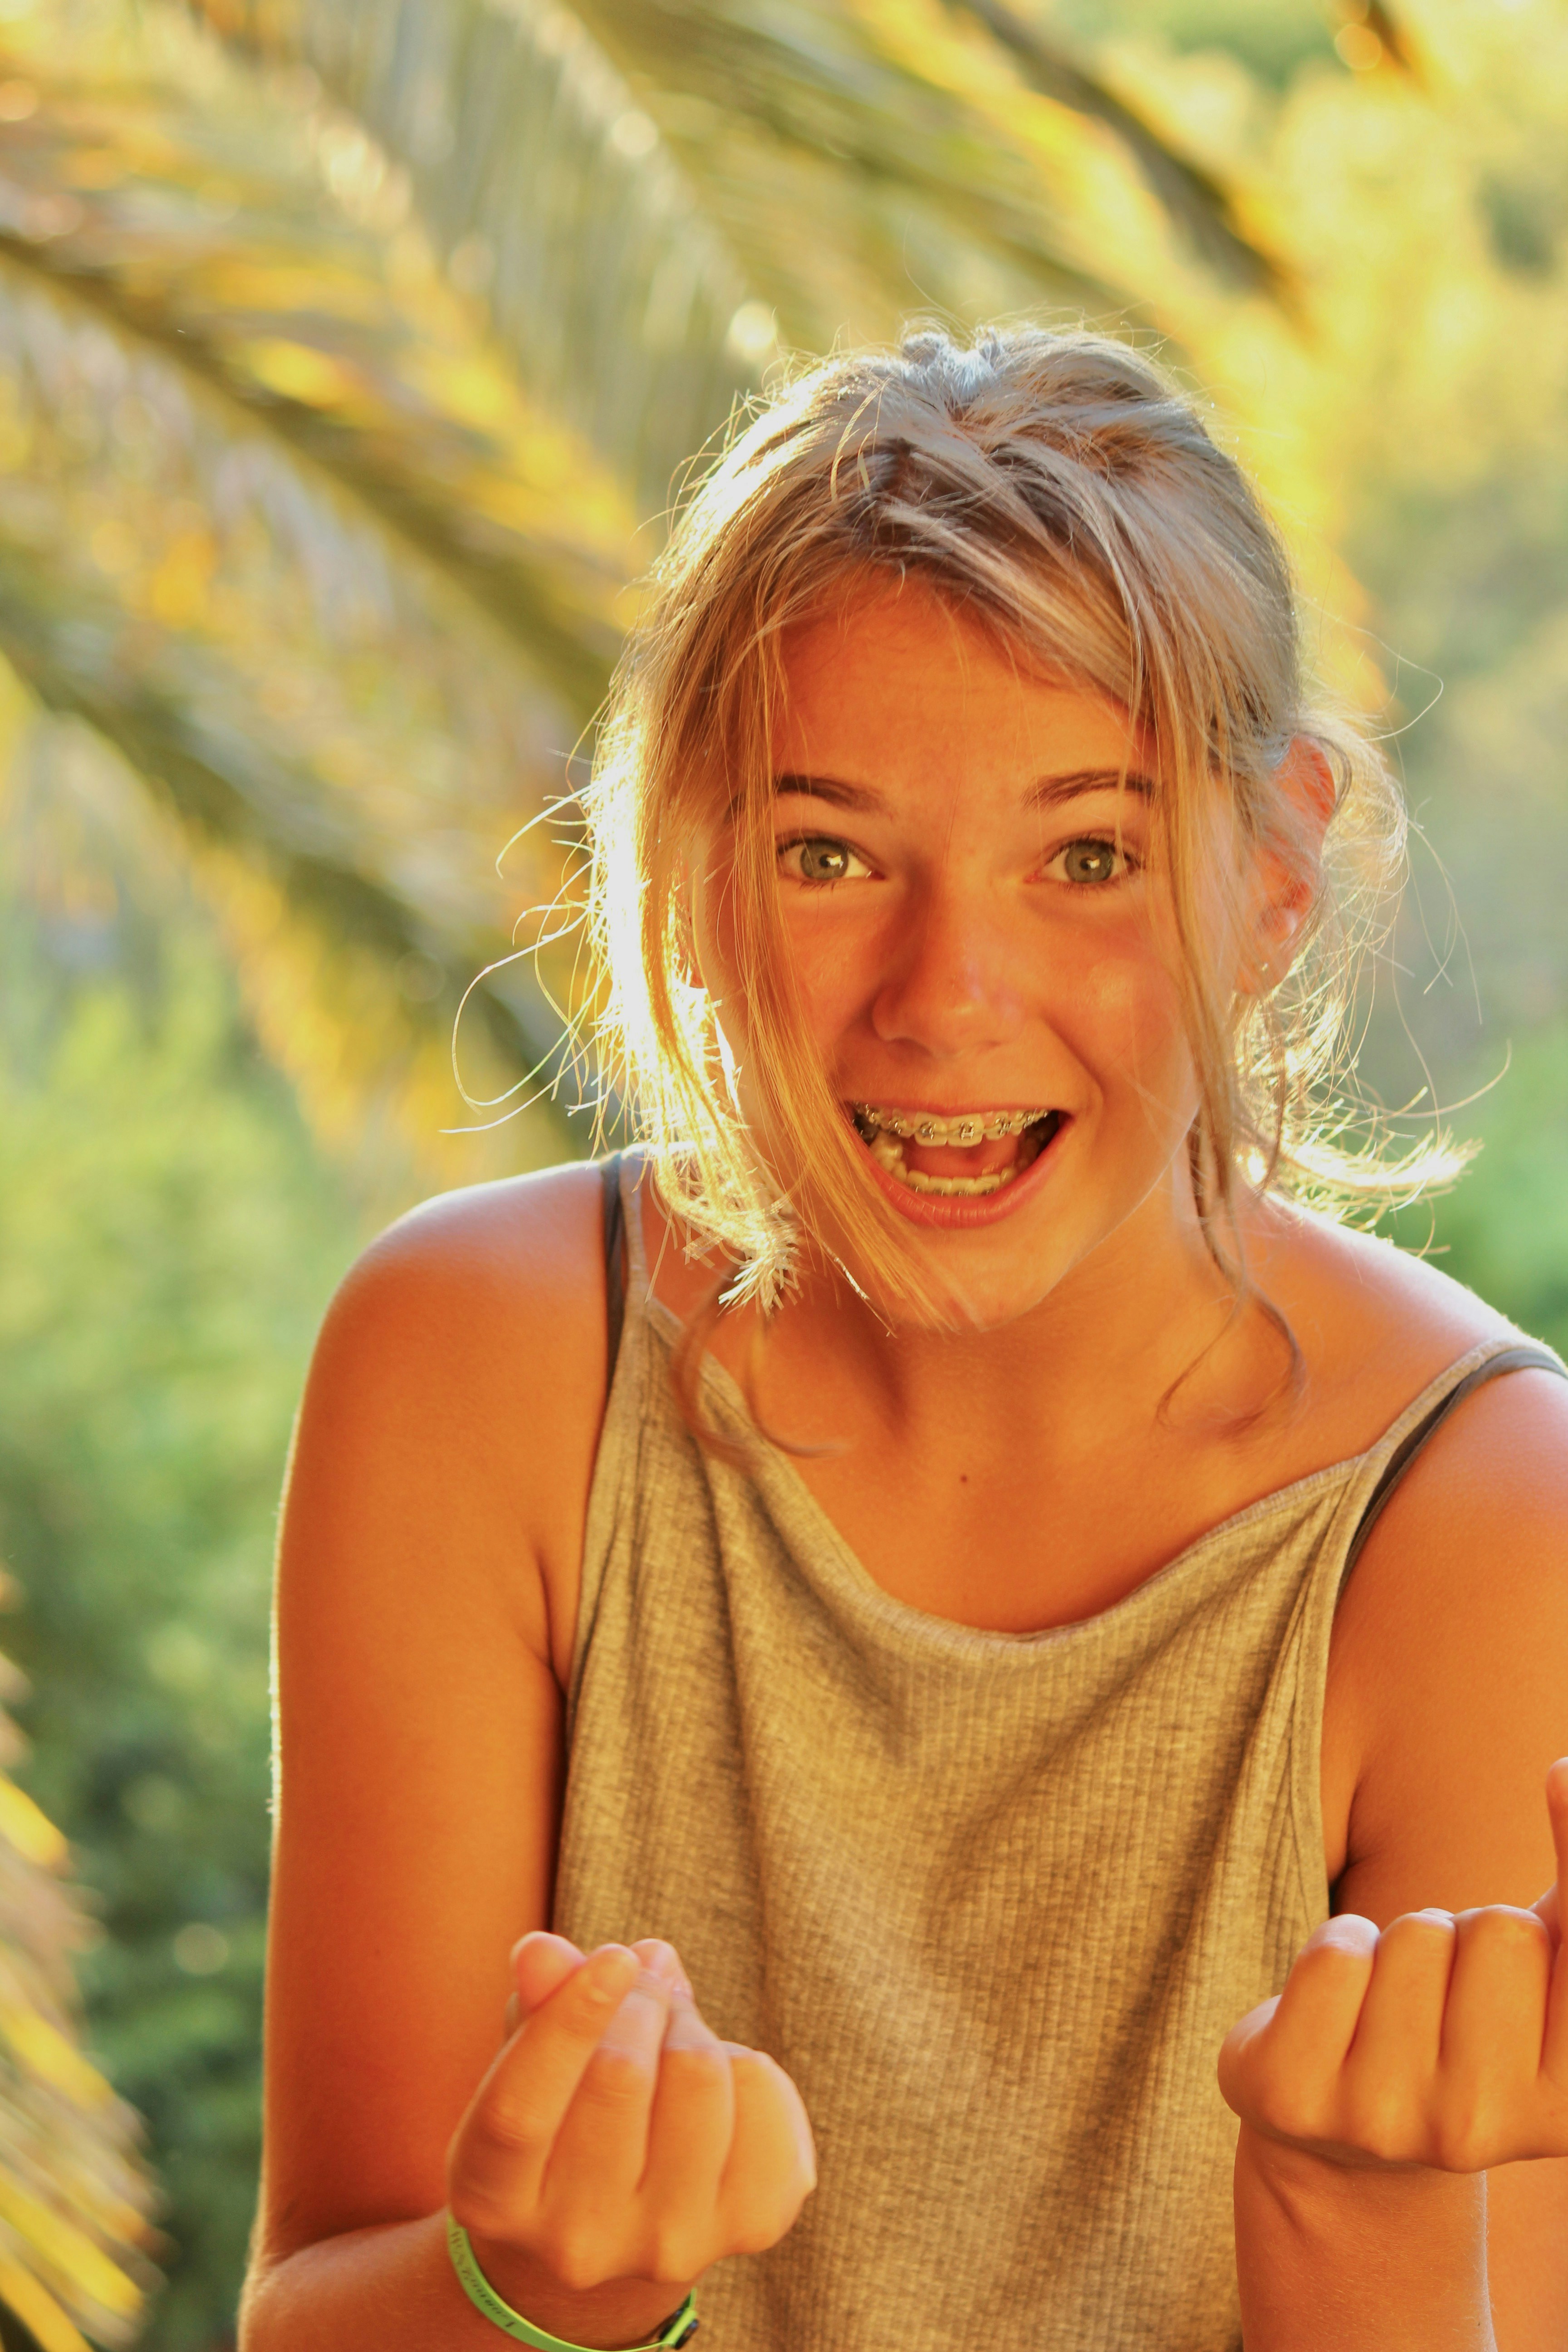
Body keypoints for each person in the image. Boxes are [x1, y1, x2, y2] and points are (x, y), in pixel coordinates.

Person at [239, 327, 1568, 2352]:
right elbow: (313, 2307)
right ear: (688, 863)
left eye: (1090, 856)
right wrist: (540, 2292)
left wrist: (1354, 2216)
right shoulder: (475, 1373)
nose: (950, 998)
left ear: (1278, 869)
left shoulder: (1490, 1523)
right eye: (830, 854)